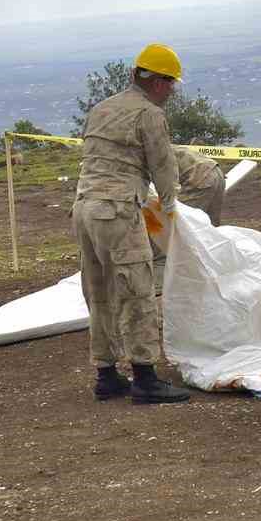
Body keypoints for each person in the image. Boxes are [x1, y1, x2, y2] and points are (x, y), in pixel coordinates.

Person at [72, 43, 190, 405]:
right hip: (117, 211)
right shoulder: (148, 114)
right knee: (137, 290)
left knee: (99, 292)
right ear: (154, 81)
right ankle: (145, 377)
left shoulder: (101, 108)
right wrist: (171, 208)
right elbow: (163, 165)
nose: (171, 89)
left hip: (83, 208)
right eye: (169, 82)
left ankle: (106, 375)